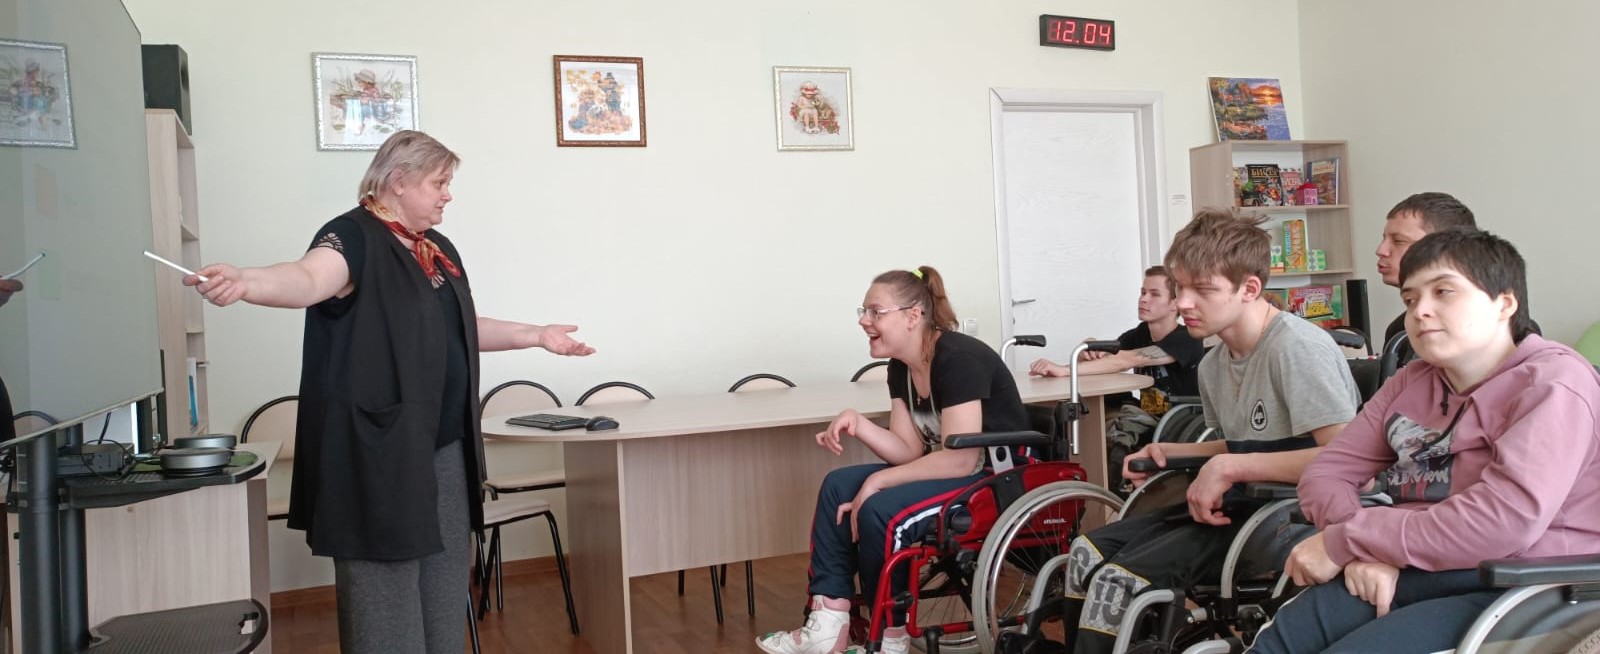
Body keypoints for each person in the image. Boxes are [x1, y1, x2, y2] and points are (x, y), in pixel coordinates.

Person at [185, 130, 594, 654]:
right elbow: (307, 279)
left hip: (444, 445)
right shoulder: (351, 235)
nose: (448, 195)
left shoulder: (435, 248)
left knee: (445, 584)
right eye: (439, 183)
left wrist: (536, 335)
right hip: (377, 450)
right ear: (399, 181)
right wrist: (246, 280)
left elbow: (460, 326)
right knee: (385, 593)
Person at [1251, 229, 1600, 654]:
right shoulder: (1413, 380)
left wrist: (1349, 541)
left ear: (1505, 303)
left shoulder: (1553, 384)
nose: (1421, 311)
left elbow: (1501, 523)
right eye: (1410, 299)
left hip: (1519, 579)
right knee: (1279, 641)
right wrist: (1363, 550)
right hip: (1414, 562)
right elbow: (1327, 473)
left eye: (1443, 292)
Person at [1056, 210, 1361, 654]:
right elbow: (1245, 443)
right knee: (1085, 553)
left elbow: (1347, 460)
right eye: (1180, 287)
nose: (1183, 303)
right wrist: (1171, 450)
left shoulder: (1297, 348)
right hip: (1236, 505)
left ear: (1249, 289)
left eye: (1203, 290)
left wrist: (1229, 467)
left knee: (1119, 582)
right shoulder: (1214, 362)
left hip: (1291, 514)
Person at [757, 266, 1031, 654]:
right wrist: (859, 423)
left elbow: (959, 461)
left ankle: (888, 636)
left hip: (1000, 475)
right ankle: (828, 623)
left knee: (881, 509)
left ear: (913, 315)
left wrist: (878, 482)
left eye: (875, 312)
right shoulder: (901, 367)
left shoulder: (958, 358)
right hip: (960, 468)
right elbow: (908, 449)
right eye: (863, 311)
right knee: (838, 486)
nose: (864, 320)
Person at [1028, 266, 1204, 488]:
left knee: (1119, 428)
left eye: (1154, 294)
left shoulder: (1187, 338)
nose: (1144, 299)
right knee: (1084, 414)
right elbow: (1108, 358)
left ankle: (1113, 495)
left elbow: (1125, 360)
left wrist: (1065, 369)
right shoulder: (1140, 333)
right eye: (1143, 292)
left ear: (1174, 304)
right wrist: (1088, 351)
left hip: (1179, 417)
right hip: (1145, 412)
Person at [1374, 192, 1476, 359]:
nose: (1381, 250)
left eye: (1399, 241)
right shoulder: (1398, 329)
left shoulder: (1483, 327)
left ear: (1443, 248)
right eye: (1384, 239)